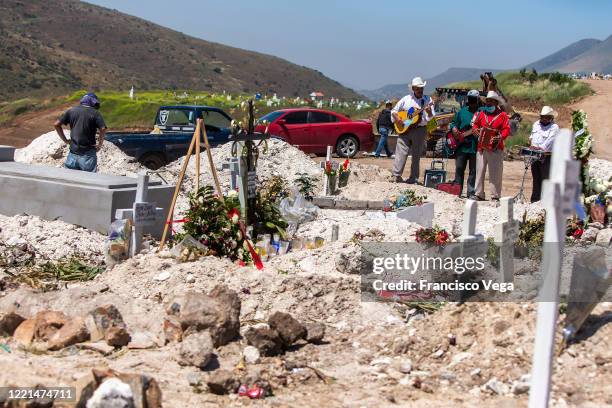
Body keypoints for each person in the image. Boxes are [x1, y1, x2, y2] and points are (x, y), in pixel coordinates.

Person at [391, 77, 435, 183]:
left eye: (421, 88)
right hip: (404, 129)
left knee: (416, 154)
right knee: (401, 152)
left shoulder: (428, 100)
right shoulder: (406, 99)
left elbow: (431, 118)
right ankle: (396, 175)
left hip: (420, 130)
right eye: (418, 88)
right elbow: (394, 111)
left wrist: (429, 112)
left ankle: (413, 178)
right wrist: (398, 120)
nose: (420, 90)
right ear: (413, 88)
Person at [472, 91, 511, 201]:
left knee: (495, 173)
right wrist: (475, 130)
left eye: (491, 101)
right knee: (479, 171)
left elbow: (506, 129)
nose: (488, 103)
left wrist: (500, 137)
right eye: (487, 101)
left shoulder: (502, 115)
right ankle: (479, 193)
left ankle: (495, 195)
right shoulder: (482, 113)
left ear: (496, 103)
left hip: (495, 147)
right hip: (481, 147)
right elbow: (475, 124)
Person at [54, 93, 106, 172]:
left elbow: (56, 124)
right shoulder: (95, 113)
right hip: (88, 154)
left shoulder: (71, 110)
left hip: (72, 153)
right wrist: (100, 144)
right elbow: (103, 129)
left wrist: (65, 140)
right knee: (88, 180)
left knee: (70, 180)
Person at [449, 90, 480, 198]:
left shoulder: (481, 113)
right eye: (470, 99)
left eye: (473, 99)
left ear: (477, 100)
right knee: (459, 168)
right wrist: (454, 129)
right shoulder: (462, 112)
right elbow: (453, 123)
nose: (471, 101)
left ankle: (471, 192)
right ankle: (457, 190)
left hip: (475, 146)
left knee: (473, 170)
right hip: (461, 145)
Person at [528, 106, 559, 202]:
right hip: (535, 155)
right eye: (542, 117)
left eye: (546, 117)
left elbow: (550, 141)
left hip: (547, 156)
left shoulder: (554, 127)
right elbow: (532, 137)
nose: (544, 119)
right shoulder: (536, 124)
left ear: (551, 117)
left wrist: (540, 148)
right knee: (536, 178)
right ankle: (535, 200)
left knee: (546, 179)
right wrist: (533, 145)